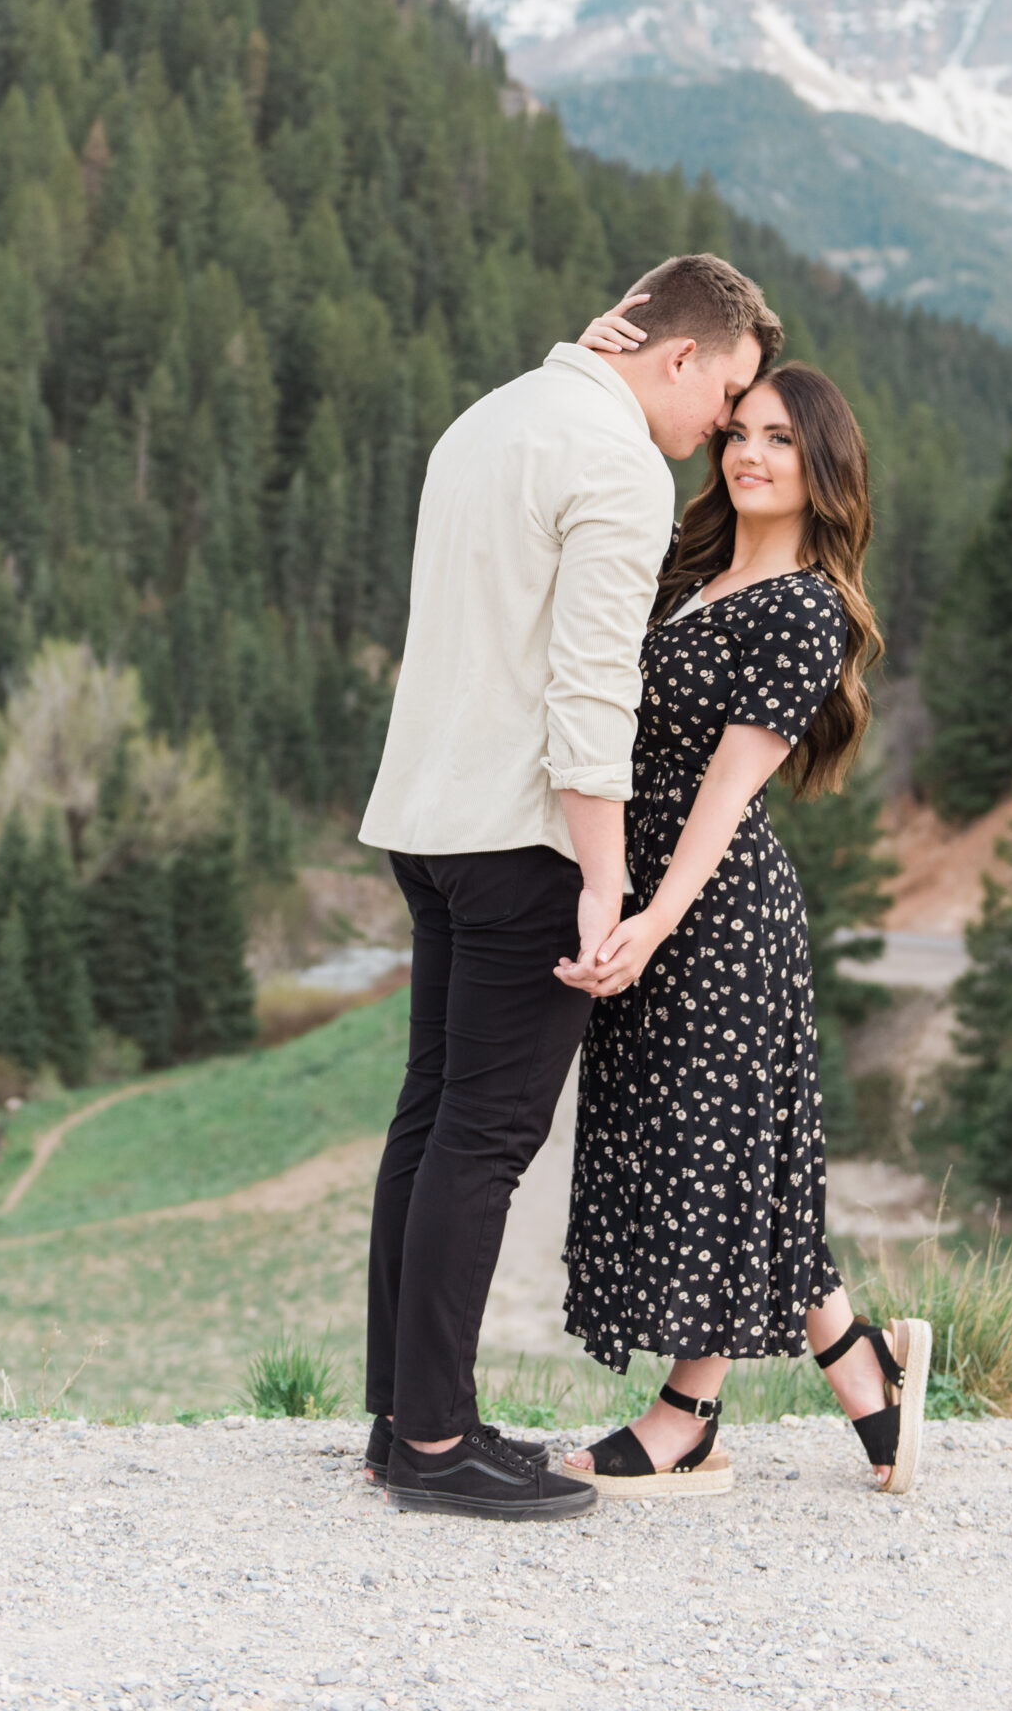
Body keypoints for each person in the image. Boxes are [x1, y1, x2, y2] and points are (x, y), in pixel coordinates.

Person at [359, 253, 782, 1521]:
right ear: (679, 357)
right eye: (725, 396)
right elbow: (590, 690)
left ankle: (401, 1418)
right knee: (484, 1139)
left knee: (430, 1120)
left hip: (426, 821)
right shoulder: (618, 466)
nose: (720, 429)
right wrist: (604, 878)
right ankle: (436, 1444)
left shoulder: (489, 417)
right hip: (521, 839)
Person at [559, 297, 931, 1499]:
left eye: (778, 438)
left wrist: (652, 921)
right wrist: (587, 361)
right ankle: (864, 1374)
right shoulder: (689, 569)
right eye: (738, 432)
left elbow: (726, 792)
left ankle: (688, 1411)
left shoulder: (804, 607)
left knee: (708, 1156)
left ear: (821, 468)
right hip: (648, 894)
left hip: (713, 912)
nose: (747, 453)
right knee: (735, 1158)